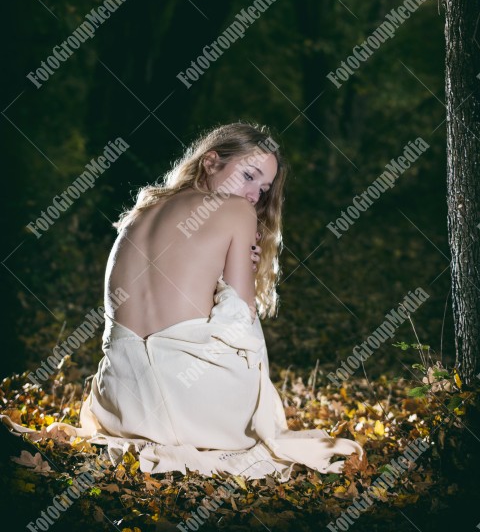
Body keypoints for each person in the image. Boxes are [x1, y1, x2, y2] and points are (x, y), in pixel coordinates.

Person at [1, 122, 363, 482]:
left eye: (264, 189)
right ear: (210, 162)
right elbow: (240, 319)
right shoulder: (236, 210)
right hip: (197, 405)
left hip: (121, 403)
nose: (254, 196)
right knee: (249, 354)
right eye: (249, 176)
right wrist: (242, 275)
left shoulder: (140, 213)